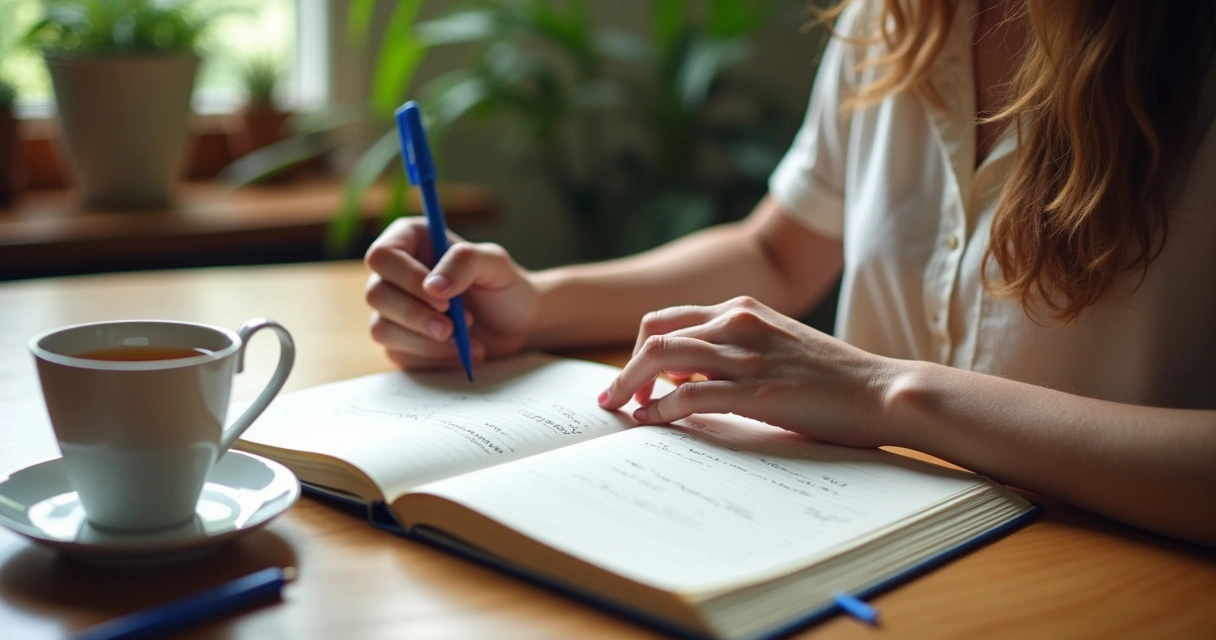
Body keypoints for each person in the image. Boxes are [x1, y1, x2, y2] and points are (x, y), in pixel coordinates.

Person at [363, 0, 1216, 547]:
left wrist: (886, 393)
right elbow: (777, 250)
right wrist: (538, 305)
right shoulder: (895, 19)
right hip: (868, 543)